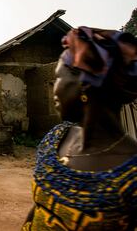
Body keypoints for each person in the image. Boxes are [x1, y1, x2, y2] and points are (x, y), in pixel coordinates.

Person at [22, 26, 137, 230]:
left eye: (57, 78)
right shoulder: (54, 139)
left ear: (84, 85)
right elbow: (38, 206)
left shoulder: (131, 176)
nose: (54, 88)